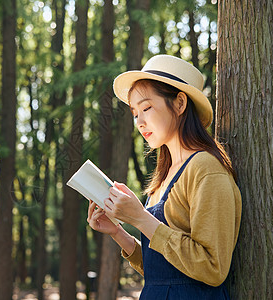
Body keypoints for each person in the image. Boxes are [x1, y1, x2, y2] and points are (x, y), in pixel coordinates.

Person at [87, 55, 242, 299]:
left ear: (180, 104)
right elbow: (162, 271)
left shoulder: (205, 168)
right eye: (135, 112)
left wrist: (140, 219)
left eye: (147, 107)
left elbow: (213, 267)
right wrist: (119, 232)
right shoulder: (163, 176)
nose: (139, 121)